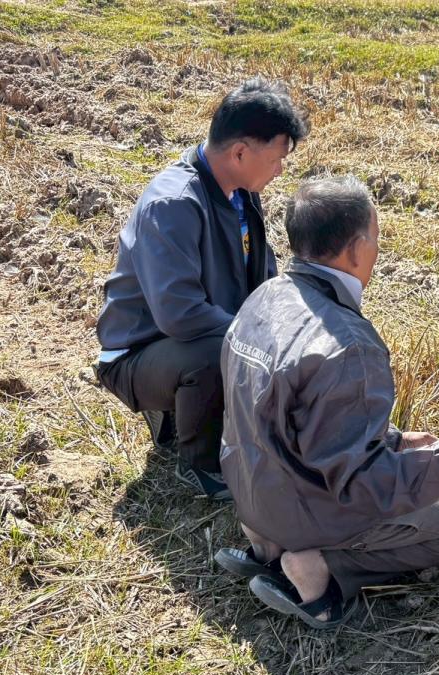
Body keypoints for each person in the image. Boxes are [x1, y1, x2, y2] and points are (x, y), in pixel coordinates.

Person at [217, 175, 439, 629]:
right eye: (376, 238)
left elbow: (295, 415)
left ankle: (267, 547)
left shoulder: (266, 296)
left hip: (251, 491)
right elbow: (362, 486)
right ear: (357, 249)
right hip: (302, 509)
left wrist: (392, 440)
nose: (378, 250)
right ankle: (319, 568)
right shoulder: (348, 347)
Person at [93, 78, 307, 500]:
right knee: (215, 353)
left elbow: (262, 277)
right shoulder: (173, 204)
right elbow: (180, 314)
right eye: (277, 159)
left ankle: (183, 411)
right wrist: (254, 342)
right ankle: (202, 464)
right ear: (240, 152)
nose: (280, 171)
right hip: (140, 351)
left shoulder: (240, 194)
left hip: (194, 336)